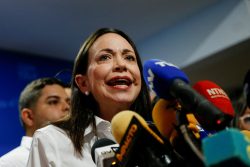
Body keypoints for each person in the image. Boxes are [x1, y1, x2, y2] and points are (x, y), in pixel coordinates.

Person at [26, 28, 152, 166]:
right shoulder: (51, 140)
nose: (121, 65)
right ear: (83, 83)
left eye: (129, 57)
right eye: (105, 57)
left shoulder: (160, 136)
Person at [0, 77, 70, 167]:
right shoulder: (8, 164)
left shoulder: (81, 158)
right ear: (28, 116)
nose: (67, 107)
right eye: (54, 102)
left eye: (69, 102)